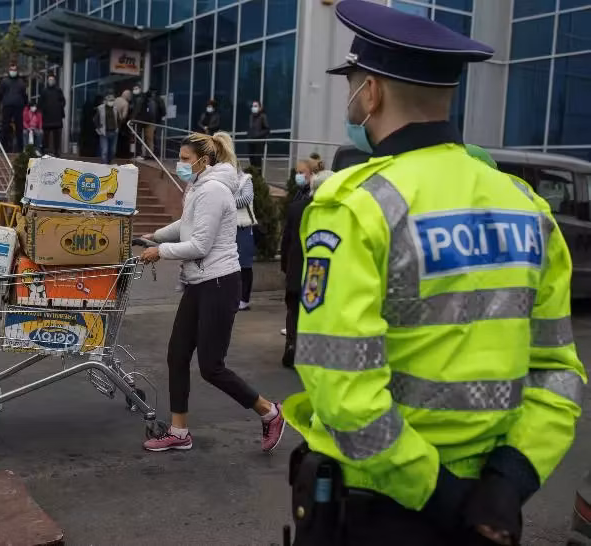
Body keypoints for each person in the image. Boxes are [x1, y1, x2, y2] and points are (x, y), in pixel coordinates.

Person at [284, 2, 587, 545]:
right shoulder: (527, 207)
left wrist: (437, 492)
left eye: (352, 83)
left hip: (385, 507)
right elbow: (558, 371)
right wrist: (509, 480)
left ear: (370, 93)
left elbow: (342, 386)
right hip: (493, 513)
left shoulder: (358, 205)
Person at [139, 131, 286, 454]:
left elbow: (200, 245)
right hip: (199, 282)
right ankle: (179, 432)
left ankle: (270, 412)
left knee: (211, 366)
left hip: (219, 283)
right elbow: (186, 225)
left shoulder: (214, 190)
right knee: (177, 354)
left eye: (186, 159)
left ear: (204, 161)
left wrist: (160, 251)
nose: (180, 164)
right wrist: (154, 235)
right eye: (180, 158)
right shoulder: (198, 187)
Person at [278, 167, 333, 366]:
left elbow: (286, 242)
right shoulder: (334, 211)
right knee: (315, 312)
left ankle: (291, 346)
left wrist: (286, 267)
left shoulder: (296, 208)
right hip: (318, 273)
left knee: (293, 311)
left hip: (295, 270)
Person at [234, 170, 257, 311]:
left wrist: (226, 201)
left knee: (245, 265)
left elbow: (246, 198)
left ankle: (244, 299)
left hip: (244, 227)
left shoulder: (246, 179)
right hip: (229, 227)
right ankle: (234, 297)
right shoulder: (221, 180)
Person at [0, 62, 27, 153]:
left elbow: (24, 94)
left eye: (14, 70)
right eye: (12, 69)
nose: (13, 71)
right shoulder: (4, 81)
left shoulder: (21, 82)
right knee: (5, 127)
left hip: (17, 106)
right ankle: (4, 148)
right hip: (8, 106)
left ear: (17, 70)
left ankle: (20, 148)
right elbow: (0, 94)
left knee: (19, 128)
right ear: (9, 70)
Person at [132, 87, 163, 159]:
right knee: (149, 139)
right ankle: (150, 154)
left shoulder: (140, 100)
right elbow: (157, 112)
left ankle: (139, 154)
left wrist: (133, 119)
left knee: (139, 138)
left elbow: (137, 110)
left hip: (140, 121)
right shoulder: (154, 101)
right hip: (150, 122)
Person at [38, 74, 66, 156]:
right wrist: (43, 110)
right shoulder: (44, 91)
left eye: (52, 79)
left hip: (57, 118)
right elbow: (40, 103)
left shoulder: (58, 90)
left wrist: (59, 106)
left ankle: (56, 151)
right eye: (49, 79)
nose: (51, 81)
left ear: (55, 81)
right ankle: (45, 150)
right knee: (45, 135)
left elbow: (63, 101)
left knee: (57, 136)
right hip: (47, 118)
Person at [95, 93, 119, 164]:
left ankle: (109, 162)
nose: (111, 102)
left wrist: (118, 128)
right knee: (104, 151)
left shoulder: (115, 108)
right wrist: (98, 129)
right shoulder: (100, 108)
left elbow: (118, 119)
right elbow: (96, 119)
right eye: (110, 100)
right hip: (104, 132)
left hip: (114, 132)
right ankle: (104, 165)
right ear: (105, 100)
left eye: (112, 100)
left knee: (113, 151)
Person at [248, 100, 270, 169]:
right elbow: (250, 127)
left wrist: (258, 134)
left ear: (260, 108)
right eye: (253, 106)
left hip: (258, 142)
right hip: (251, 141)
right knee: (251, 159)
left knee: (257, 160)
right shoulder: (251, 116)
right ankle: (254, 176)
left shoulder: (263, 116)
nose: (253, 107)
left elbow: (267, 129)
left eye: (255, 106)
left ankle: (258, 177)